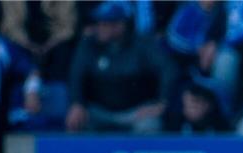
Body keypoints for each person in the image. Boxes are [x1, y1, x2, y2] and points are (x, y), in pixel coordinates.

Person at [65, 1, 176, 133]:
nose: (100, 28)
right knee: (76, 121)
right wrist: (77, 103)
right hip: (99, 110)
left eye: (105, 24)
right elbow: (76, 75)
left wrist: (162, 103)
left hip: (135, 112)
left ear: (120, 25)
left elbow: (168, 70)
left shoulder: (143, 44)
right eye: (99, 23)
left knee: (149, 125)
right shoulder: (89, 44)